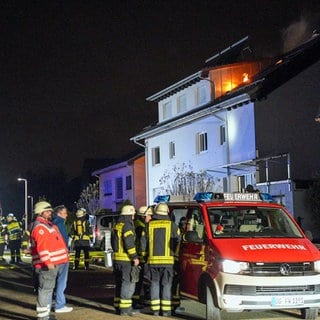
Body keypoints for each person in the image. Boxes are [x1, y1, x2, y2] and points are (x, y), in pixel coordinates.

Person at [30, 201, 69, 320]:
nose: (50, 213)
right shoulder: (40, 227)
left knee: (47, 291)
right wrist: (48, 262)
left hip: (52, 264)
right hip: (46, 266)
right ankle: (43, 317)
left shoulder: (47, 225)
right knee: (45, 291)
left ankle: (45, 315)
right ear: (41, 212)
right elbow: (43, 247)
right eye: (47, 211)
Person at [142, 203, 180, 317]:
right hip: (168, 262)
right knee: (167, 285)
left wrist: (144, 256)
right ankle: (166, 311)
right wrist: (176, 255)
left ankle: (155, 310)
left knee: (154, 284)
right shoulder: (172, 225)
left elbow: (143, 242)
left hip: (153, 261)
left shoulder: (149, 225)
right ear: (167, 212)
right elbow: (178, 240)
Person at [111, 205, 140, 316]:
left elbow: (113, 243)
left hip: (117, 259)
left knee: (119, 284)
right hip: (126, 260)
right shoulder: (127, 226)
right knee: (128, 284)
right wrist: (134, 257)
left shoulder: (118, 225)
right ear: (129, 215)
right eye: (132, 215)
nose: (133, 217)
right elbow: (129, 243)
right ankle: (126, 309)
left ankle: (118, 307)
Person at [52, 205, 73, 313]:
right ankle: (60, 305)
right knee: (61, 281)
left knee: (53, 281)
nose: (66, 215)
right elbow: (63, 240)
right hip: (61, 256)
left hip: (54, 257)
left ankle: (51, 302)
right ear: (59, 214)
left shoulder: (52, 223)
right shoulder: (60, 224)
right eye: (64, 213)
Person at [132, 205, 153, 309]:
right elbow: (142, 242)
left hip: (138, 254)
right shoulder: (140, 226)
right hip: (141, 256)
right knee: (141, 279)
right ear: (143, 216)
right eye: (149, 215)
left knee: (139, 279)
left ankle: (137, 300)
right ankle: (137, 301)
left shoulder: (136, 224)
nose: (150, 218)